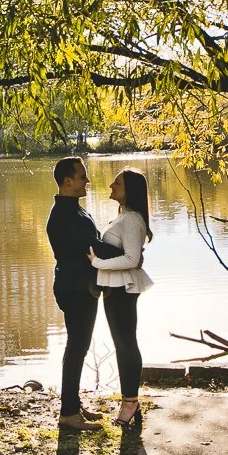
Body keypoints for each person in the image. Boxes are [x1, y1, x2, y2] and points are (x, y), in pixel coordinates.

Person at [46, 156, 123, 431]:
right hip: (75, 289)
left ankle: (73, 405)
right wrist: (129, 255)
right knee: (77, 347)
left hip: (80, 287)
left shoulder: (75, 211)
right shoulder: (65, 215)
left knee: (78, 346)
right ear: (68, 181)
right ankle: (68, 413)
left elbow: (95, 243)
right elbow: (94, 248)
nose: (87, 181)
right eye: (82, 176)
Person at [88, 167, 154, 428]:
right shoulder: (125, 217)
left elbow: (132, 259)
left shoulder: (131, 219)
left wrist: (97, 263)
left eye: (117, 183)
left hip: (123, 288)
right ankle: (130, 400)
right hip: (115, 287)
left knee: (126, 343)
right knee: (122, 342)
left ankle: (130, 402)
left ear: (130, 191)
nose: (111, 186)